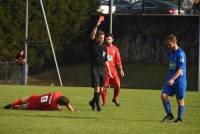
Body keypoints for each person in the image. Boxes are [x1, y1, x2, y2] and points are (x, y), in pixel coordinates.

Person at [161, 34, 187, 123]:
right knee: (163, 95)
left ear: (175, 42)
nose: (168, 46)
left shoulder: (181, 54)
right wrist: (170, 78)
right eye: (167, 44)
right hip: (170, 80)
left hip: (179, 81)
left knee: (180, 100)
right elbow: (172, 66)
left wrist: (173, 79)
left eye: (170, 44)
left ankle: (179, 119)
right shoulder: (171, 52)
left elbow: (180, 70)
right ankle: (169, 115)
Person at [88, 16, 112, 112]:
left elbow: (106, 60)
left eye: (103, 38)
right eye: (100, 38)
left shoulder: (104, 48)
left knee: (102, 90)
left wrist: (109, 71)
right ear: (97, 37)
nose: (102, 39)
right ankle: (97, 106)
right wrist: (97, 25)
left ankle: (92, 102)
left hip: (102, 70)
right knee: (97, 88)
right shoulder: (93, 44)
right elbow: (92, 36)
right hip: (94, 69)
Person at [101, 34, 124, 106]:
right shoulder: (102, 48)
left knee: (118, 84)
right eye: (107, 39)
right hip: (104, 71)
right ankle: (104, 103)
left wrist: (121, 70)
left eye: (109, 39)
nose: (108, 40)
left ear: (112, 40)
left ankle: (115, 98)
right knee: (104, 87)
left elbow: (118, 61)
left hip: (113, 71)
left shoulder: (115, 49)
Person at [4, 91, 77, 112]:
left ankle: (12, 104)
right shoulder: (53, 105)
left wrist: (72, 109)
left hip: (35, 97)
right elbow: (45, 109)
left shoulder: (57, 93)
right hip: (34, 105)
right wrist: (59, 108)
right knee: (20, 107)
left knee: (21, 101)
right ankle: (13, 107)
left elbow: (65, 101)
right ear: (60, 103)